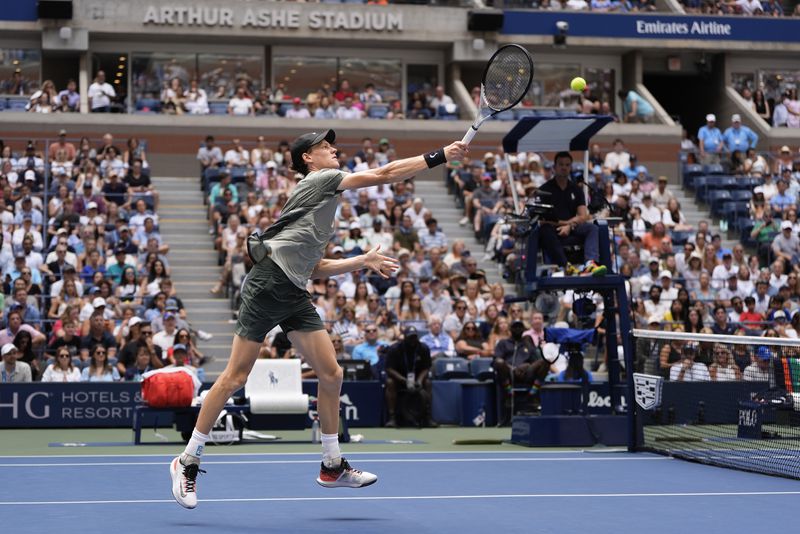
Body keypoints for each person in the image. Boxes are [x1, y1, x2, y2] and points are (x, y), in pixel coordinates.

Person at [169, 129, 467, 508]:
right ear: (308, 159)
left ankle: (331, 465)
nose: (334, 150)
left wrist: (360, 261)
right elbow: (383, 174)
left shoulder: (320, 202)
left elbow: (314, 266)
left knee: (332, 373)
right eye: (325, 147)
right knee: (235, 377)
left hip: (291, 290)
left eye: (332, 146)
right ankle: (187, 459)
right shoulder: (321, 180)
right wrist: (440, 155)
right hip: (267, 285)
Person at [537, 151, 606, 276]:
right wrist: (565, 224)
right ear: (554, 167)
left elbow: (583, 215)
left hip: (573, 227)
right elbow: (543, 219)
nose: (564, 167)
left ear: (571, 167)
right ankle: (565, 266)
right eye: (561, 164)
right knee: (544, 229)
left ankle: (590, 263)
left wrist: (569, 226)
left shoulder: (576, 189)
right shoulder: (544, 189)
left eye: (567, 165)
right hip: (553, 228)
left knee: (592, 228)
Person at [383, 326, 435, 428]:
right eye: (410, 337)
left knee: (428, 383)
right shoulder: (394, 349)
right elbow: (389, 368)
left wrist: (419, 380)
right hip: (399, 378)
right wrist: (403, 380)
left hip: (417, 378)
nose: (412, 340)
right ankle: (392, 418)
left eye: (414, 337)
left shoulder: (423, 348)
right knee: (390, 382)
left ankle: (428, 418)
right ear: (405, 337)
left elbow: (426, 367)